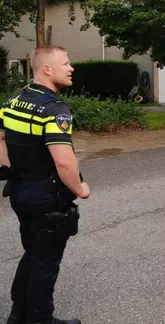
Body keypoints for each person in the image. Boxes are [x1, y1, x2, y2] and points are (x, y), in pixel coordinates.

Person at [0, 46, 90, 324]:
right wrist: (79, 189)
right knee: (45, 262)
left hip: (20, 193)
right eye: (65, 63)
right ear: (47, 69)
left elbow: (2, 139)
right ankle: (40, 319)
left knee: (32, 253)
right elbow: (64, 162)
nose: (71, 67)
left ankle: (18, 314)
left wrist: (10, 169)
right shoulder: (55, 110)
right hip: (46, 198)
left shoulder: (12, 102)